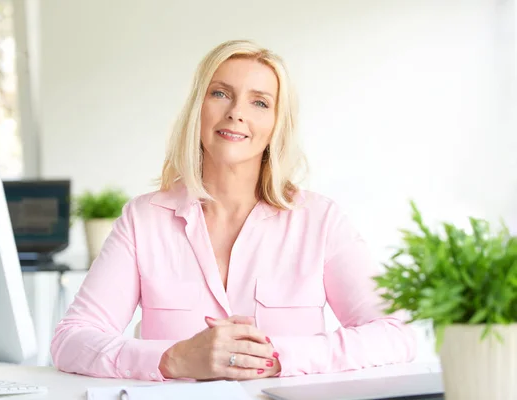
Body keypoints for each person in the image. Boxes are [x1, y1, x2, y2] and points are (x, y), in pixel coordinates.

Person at [50, 39, 416, 382]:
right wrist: (173, 359)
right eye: (220, 94)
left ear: (276, 124)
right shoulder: (143, 219)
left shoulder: (320, 220)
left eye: (259, 102)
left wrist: (277, 358)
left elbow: (395, 336)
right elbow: (71, 340)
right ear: (198, 108)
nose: (236, 113)